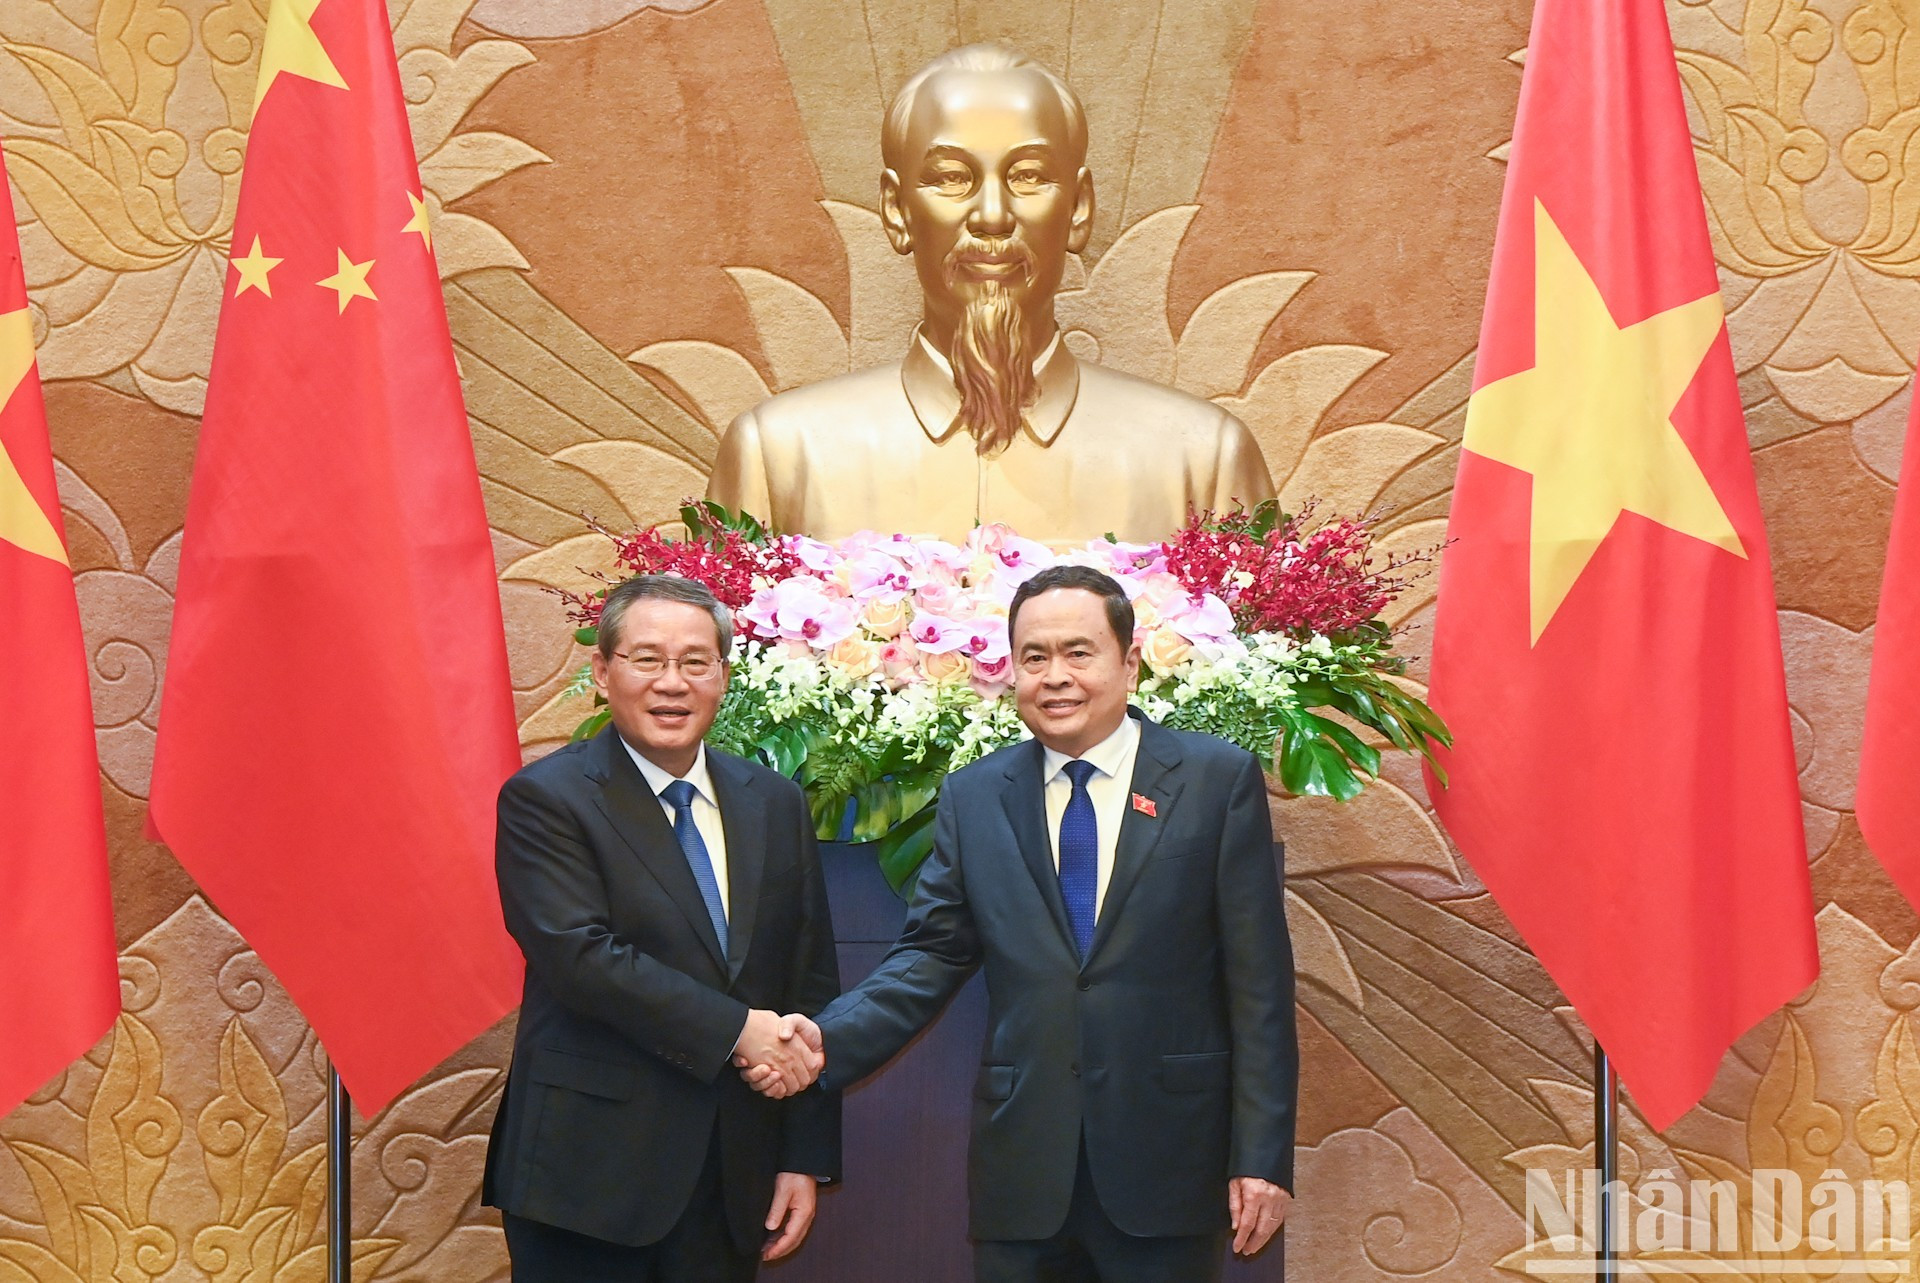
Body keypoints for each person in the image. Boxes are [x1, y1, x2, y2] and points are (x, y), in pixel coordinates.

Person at [743, 564, 1297, 1282]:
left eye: (1078, 651)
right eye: (1035, 656)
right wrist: (822, 1041)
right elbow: (930, 955)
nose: (1055, 675)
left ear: (1129, 662)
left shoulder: (1214, 779)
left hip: (1169, 1157)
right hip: (1023, 1164)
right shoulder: (977, 795)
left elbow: (1258, 984)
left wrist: (1261, 1156)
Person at [706, 44, 1274, 545]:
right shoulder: (778, 456)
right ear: (897, 211)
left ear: (1077, 209)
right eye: (951, 178)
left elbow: (1285, 660)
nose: (993, 216)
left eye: (1028, 176)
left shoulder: (1204, 461)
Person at [483, 574, 840, 1282]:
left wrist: (803, 1154)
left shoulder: (772, 801)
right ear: (603, 670)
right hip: (588, 1179)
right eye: (646, 659)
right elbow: (582, 959)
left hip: (730, 1176)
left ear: (724, 676)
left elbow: (809, 980)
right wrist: (740, 1029)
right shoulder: (546, 800)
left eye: (695, 661)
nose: (671, 682)